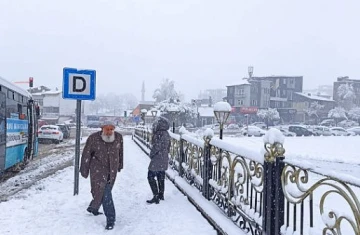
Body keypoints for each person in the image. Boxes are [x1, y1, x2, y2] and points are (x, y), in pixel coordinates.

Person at [80, 120, 123, 230]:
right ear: (102, 128)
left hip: (111, 171)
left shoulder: (118, 137)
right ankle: (111, 219)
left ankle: (93, 208)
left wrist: (120, 165)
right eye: (107, 129)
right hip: (97, 170)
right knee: (105, 193)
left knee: (102, 191)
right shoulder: (93, 138)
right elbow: (86, 154)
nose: (109, 132)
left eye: (111, 129)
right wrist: (84, 170)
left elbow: (120, 152)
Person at [146, 116, 171, 204]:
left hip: (157, 158)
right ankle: (161, 195)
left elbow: (157, 146)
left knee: (150, 176)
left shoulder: (159, 134)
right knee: (161, 176)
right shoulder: (166, 133)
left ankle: (156, 196)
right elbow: (168, 147)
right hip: (163, 158)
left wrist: (151, 154)